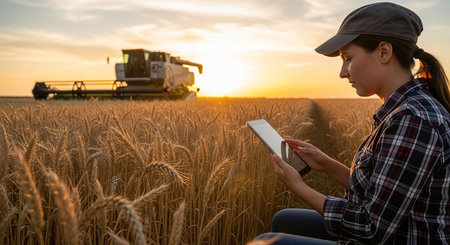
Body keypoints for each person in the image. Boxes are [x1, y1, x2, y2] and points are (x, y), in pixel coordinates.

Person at [254, 2, 450, 244]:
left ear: (384, 52)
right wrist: (327, 165)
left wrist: (300, 188)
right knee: (284, 219)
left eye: (348, 58)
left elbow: (371, 227)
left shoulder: (413, 120)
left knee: (266, 241)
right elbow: (381, 190)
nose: (343, 72)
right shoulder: (403, 109)